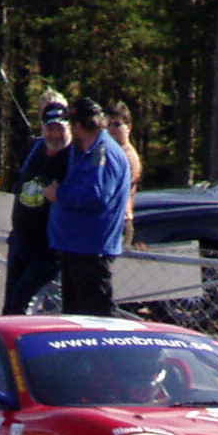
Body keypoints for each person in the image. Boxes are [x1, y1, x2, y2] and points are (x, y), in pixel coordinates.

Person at [46, 97, 132, 316]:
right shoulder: (82, 151)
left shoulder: (103, 152)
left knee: (98, 317)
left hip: (91, 250)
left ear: (78, 125)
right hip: (74, 247)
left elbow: (96, 194)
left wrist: (59, 194)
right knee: (75, 318)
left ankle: (109, 351)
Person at [2, 96, 73, 314]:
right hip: (21, 241)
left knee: (21, 305)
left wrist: (60, 194)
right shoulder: (34, 147)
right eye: (49, 129)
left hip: (47, 249)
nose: (54, 135)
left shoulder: (72, 157)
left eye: (59, 129)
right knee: (9, 308)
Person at [106, 101, 143, 248]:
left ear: (129, 127)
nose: (112, 129)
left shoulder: (129, 157)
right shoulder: (109, 152)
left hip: (121, 220)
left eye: (117, 124)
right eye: (108, 124)